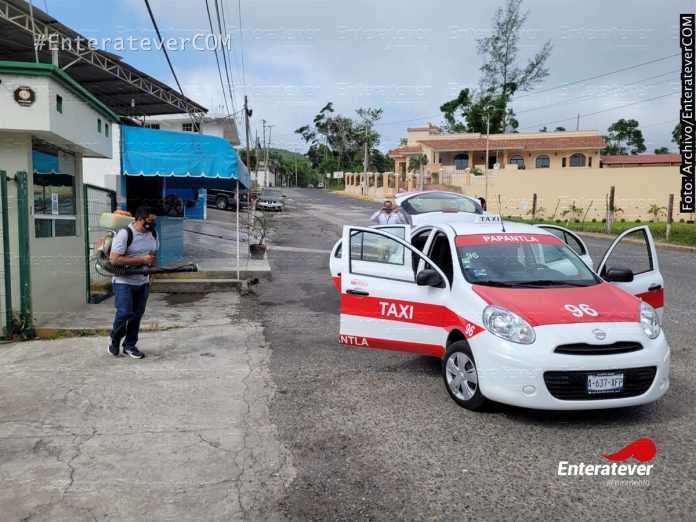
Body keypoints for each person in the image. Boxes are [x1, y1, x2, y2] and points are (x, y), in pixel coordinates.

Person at [107, 206, 159, 359]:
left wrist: (153, 272)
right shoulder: (125, 234)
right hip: (124, 280)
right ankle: (114, 338)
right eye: (151, 221)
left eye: (155, 220)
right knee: (124, 313)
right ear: (140, 219)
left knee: (136, 315)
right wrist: (141, 259)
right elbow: (115, 259)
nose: (153, 224)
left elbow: (153, 255)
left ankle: (129, 346)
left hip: (142, 281)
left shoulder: (153, 233)